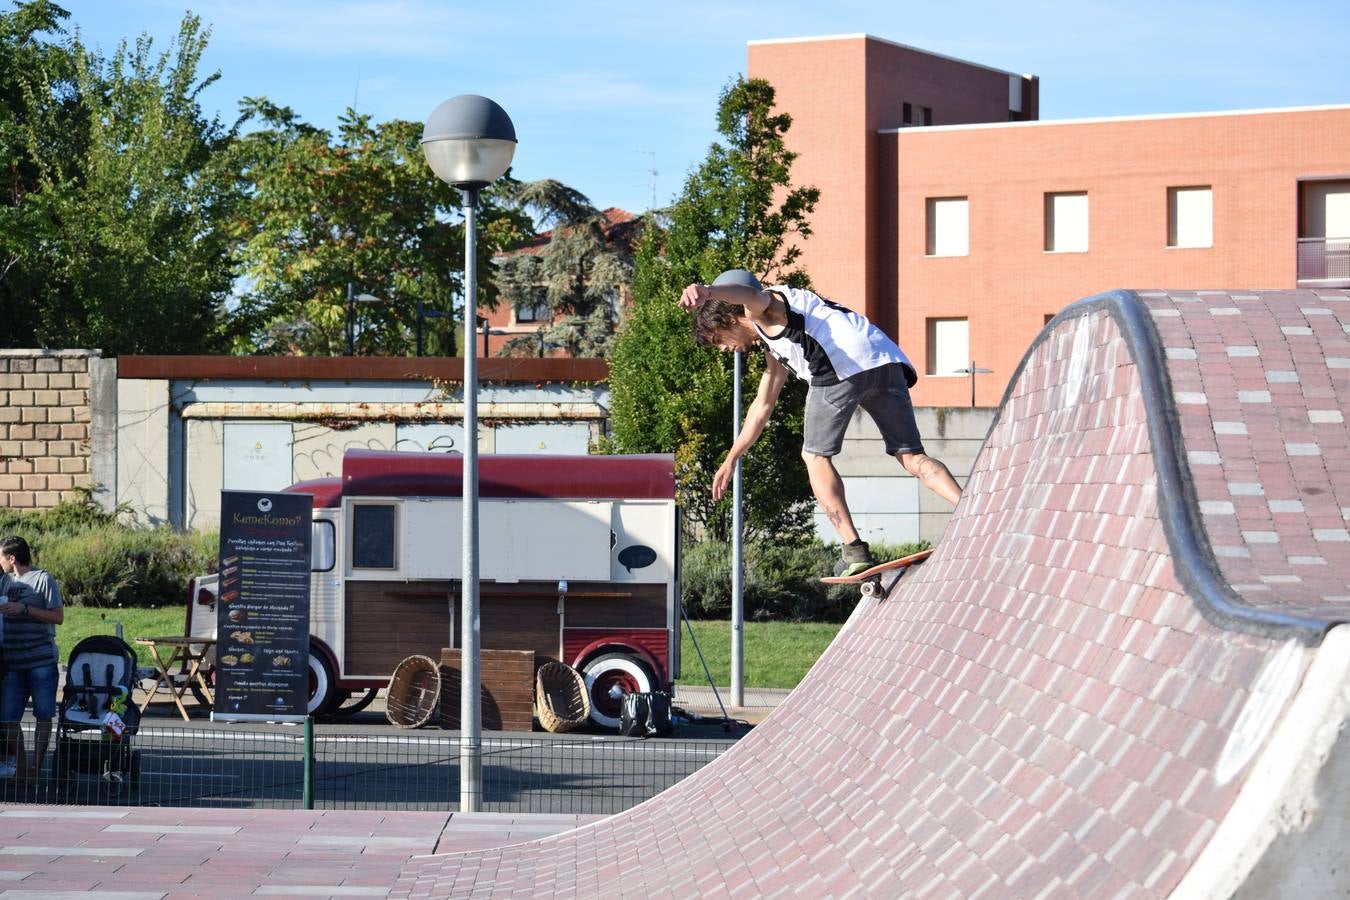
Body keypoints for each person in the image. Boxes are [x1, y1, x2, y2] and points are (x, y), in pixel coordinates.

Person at [678, 269, 962, 576]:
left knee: (813, 456)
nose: (724, 349)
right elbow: (762, 405)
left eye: (719, 339)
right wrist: (732, 457)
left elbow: (749, 295)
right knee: (911, 456)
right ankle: (971, 511)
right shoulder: (773, 341)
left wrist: (706, 290)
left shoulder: (763, 308)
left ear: (729, 318)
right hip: (884, 360)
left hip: (839, 365)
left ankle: (854, 550)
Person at [0, 536, 65, 781]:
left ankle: (35, 766)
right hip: (13, 661)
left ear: (12, 558)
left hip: (40, 660)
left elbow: (58, 617)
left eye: (1, 557)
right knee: (8, 717)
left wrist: (25, 609)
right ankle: (22, 763)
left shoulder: (43, 579)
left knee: (43, 714)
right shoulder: (5, 581)